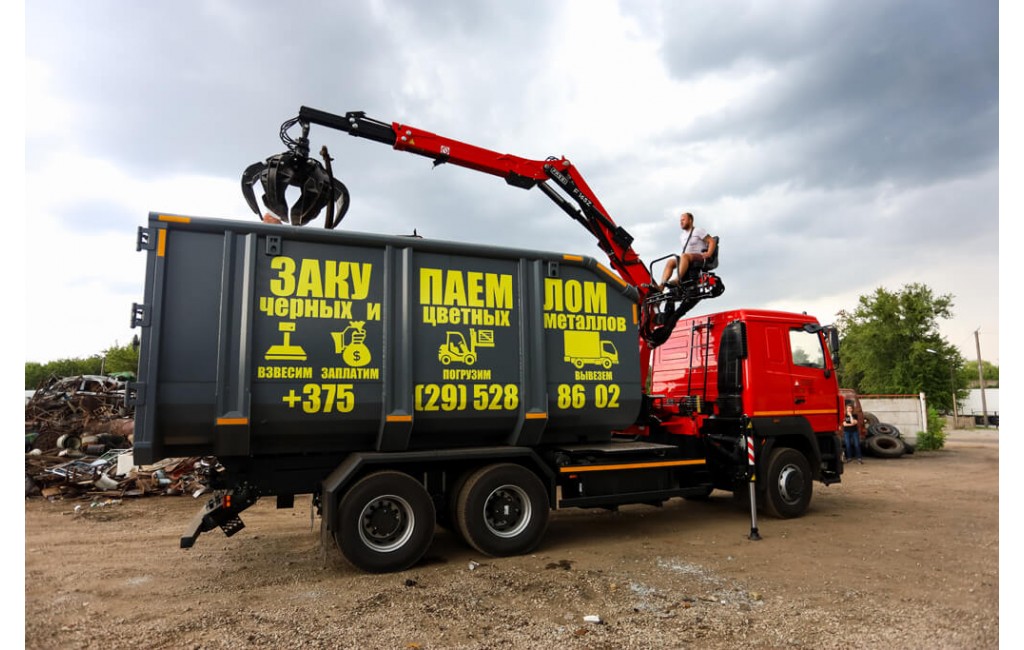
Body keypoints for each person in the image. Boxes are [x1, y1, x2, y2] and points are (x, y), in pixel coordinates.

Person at [658, 211, 716, 290]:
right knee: (670, 261)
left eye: (683, 220)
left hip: (700, 257)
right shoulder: (682, 236)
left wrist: (709, 253)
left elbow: (712, 241)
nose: (681, 222)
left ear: (690, 220)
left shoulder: (698, 230)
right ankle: (661, 286)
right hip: (687, 258)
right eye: (680, 220)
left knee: (684, 256)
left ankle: (677, 280)